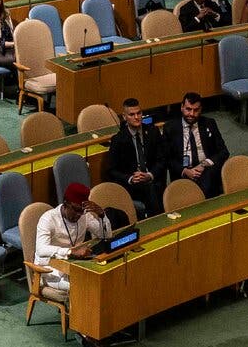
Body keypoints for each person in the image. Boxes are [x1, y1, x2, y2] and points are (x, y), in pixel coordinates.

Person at [32, 181, 112, 314]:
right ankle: (83, 329)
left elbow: (106, 235)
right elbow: (41, 249)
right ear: (65, 203)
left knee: (103, 279)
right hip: (50, 271)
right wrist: (70, 252)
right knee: (86, 287)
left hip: (76, 266)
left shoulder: (83, 216)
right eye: (75, 210)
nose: (78, 215)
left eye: (82, 211)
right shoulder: (48, 219)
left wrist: (102, 215)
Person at [104, 98, 164, 218]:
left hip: (152, 179)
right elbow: (112, 170)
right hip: (132, 185)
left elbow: (162, 160)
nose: (137, 117)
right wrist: (130, 178)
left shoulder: (153, 132)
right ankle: (158, 219)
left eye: (139, 113)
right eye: (132, 114)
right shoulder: (118, 140)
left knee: (152, 186)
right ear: (124, 117)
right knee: (150, 189)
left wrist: (149, 175)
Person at [161, 92, 229, 197]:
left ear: (201, 109)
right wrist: (185, 171)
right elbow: (166, 158)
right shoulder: (170, 128)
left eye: (196, 110)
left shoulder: (209, 123)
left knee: (209, 179)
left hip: (206, 170)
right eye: (188, 109)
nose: (192, 114)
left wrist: (204, 164)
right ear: (182, 107)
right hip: (183, 173)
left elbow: (224, 152)